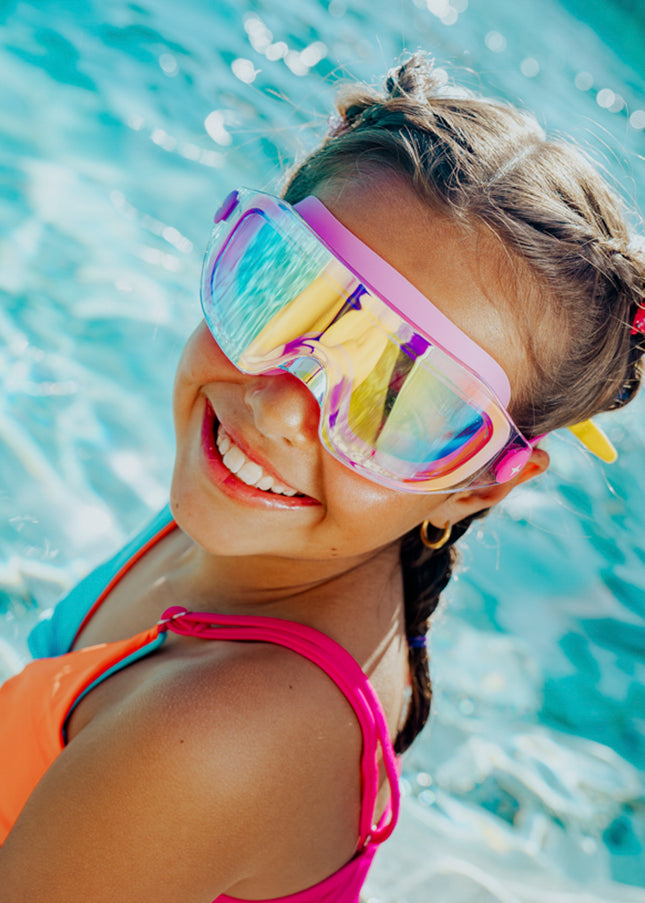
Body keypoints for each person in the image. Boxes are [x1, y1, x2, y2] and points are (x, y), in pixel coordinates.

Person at [0, 53, 643, 902]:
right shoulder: (270, 520)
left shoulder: (215, 735)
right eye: (282, 291)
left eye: (400, 401)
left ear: (480, 483)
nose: (278, 407)